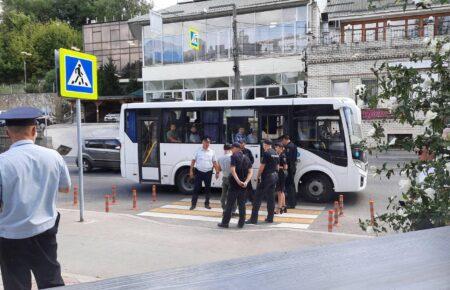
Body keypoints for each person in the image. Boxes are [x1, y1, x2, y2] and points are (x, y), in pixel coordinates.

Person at [0, 107, 71, 290]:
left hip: (10, 235)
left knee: (15, 284)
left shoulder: (2, 162)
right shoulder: (53, 156)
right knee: (51, 281)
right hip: (44, 230)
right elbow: (65, 188)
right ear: (34, 130)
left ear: (8, 133)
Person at [218, 143, 253, 229]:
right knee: (242, 205)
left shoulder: (233, 156)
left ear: (234, 148)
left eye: (232, 148)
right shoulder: (246, 157)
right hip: (244, 185)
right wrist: (246, 182)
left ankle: (225, 223)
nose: (231, 150)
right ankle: (241, 223)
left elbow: (233, 170)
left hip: (234, 184)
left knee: (229, 204)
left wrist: (238, 181)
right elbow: (250, 171)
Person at [246, 140, 279, 224]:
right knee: (271, 198)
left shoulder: (267, 153)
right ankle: (270, 218)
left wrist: (257, 177)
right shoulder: (275, 153)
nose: (263, 147)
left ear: (266, 145)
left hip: (267, 177)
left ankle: (253, 219)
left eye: (264, 145)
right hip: (274, 176)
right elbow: (277, 167)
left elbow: (261, 167)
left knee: (257, 198)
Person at [190, 137, 219, 210]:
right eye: (206, 142)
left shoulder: (212, 151)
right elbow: (193, 161)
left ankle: (207, 204)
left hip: (208, 172)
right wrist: (191, 171)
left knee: (208, 189)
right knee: (196, 189)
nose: (207, 144)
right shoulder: (198, 151)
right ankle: (193, 205)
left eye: (208, 142)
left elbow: (214, 162)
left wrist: (217, 172)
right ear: (202, 142)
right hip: (199, 172)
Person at [217, 144, 236, 215]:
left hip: (224, 178)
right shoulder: (233, 157)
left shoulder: (220, 158)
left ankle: (224, 209)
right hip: (232, 178)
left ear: (223, 149)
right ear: (231, 148)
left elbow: (219, 169)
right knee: (232, 195)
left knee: (223, 195)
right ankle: (233, 211)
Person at [282, 135, 298, 209]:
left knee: (289, 186)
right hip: (292, 167)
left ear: (285, 139)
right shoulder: (293, 145)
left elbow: (287, 158)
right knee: (292, 185)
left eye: (283, 141)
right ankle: (294, 202)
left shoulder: (289, 147)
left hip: (289, 168)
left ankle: (291, 204)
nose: (282, 142)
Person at [274, 143, 288, 214]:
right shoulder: (278, 155)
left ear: (280, 148)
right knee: (281, 191)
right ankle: (284, 206)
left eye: (276, 147)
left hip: (282, 174)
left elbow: (285, 167)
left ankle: (279, 209)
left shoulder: (283, 156)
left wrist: (277, 167)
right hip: (280, 174)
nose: (275, 148)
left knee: (280, 191)